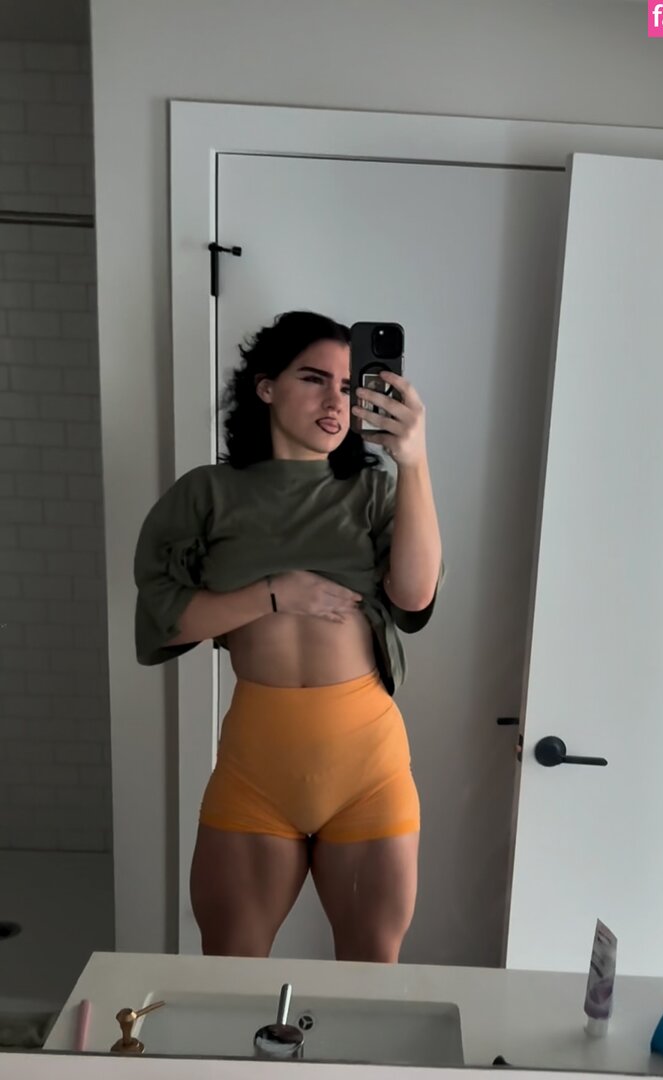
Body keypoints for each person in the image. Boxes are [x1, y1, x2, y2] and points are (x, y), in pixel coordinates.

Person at [134, 311, 443, 962]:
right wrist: (273, 594)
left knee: (370, 983)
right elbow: (166, 617)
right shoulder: (208, 493)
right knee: (230, 974)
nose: (335, 401)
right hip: (255, 772)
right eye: (313, 379)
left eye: (346, 386)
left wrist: (413, 460)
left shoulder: (373, 490)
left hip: (368, 769)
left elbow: (416, 594)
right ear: (266, 387)